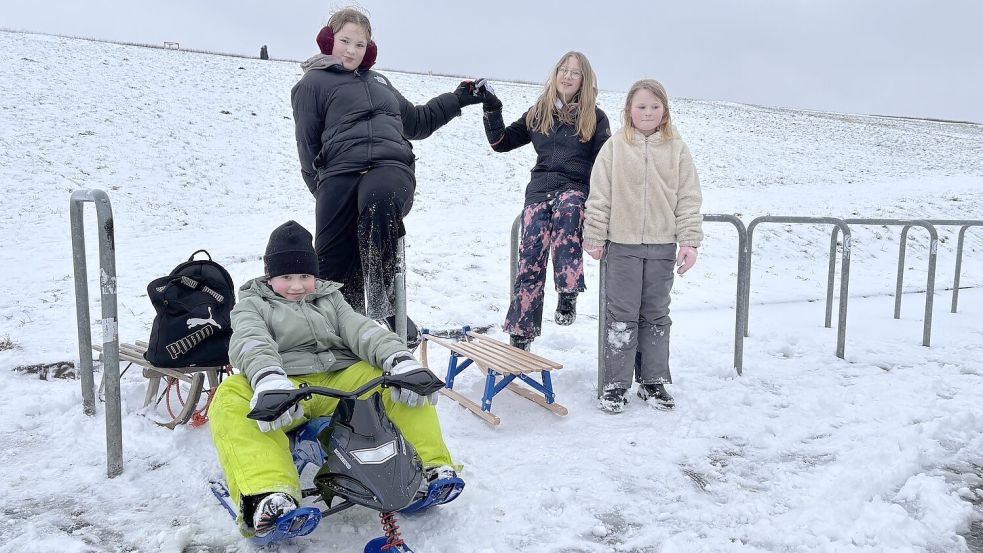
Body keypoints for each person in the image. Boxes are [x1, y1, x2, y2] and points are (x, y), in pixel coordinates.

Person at [209, 220, 460, 537]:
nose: (297, 285)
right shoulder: (252, 305)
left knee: (394, 381)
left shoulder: (330, 299)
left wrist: (400, 360)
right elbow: (251, 341)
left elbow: (362, 330)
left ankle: (430, 468)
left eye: (305, 276)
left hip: (337, 381)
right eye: (286, 277)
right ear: (270, 276)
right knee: (230, 396)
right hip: (285, 390)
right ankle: (269, 495)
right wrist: (268, 379)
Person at [291, 7, 484, 339]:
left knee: (378, 200)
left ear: (370, 49)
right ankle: (343, 333)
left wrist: (458, 98)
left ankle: (388, 307)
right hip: (338, 172)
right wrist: (323, 192)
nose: (351, 51)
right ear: (328, 40)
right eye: (345, 41)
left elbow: (418, 122)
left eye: (360, 45)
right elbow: (307, 146)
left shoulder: (381, 83)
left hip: (389, 167)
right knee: (331, 258)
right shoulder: (312, 83)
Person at [583, 79, 703, 413]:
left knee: (656, 315)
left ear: (664, 110)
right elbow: (600, 195)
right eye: (641, 106)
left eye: (654, 106)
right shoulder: (616, 147)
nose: (648, 112)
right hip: (621, 246)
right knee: (621, 316)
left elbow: (689, 198)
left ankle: (653, 382)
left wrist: (689, 242)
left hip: (663, 245)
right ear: (628, 110)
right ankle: (615, 384)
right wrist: (594, 235)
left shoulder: (677, 148)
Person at [477, 51, 611, 351]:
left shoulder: (595, 117)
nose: (567, 76)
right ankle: (520, 334)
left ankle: (568, 290)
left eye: (575, 72)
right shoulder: (539, 113)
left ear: (584, 80)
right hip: (539, 191)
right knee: (531, 256)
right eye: (562, 70)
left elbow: (606, 163)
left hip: (575, 188)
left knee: (568, 212)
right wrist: (491, 107)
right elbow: (501, 142)